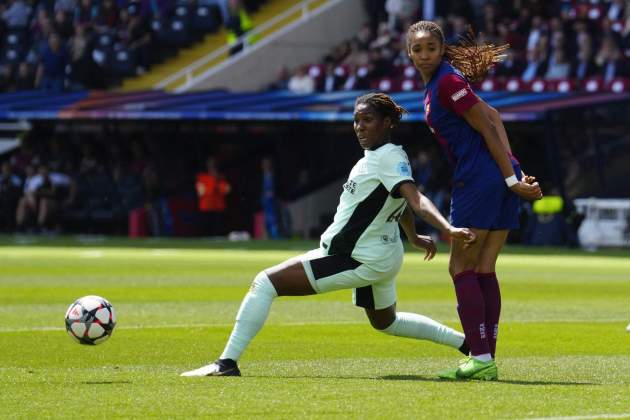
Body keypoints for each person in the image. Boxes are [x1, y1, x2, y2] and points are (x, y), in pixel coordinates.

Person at [181, 93, 476, 377]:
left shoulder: (385, 158)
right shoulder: (382, 157)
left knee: (265, 282)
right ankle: (469, 344)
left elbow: (415, 199)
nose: (360, 126)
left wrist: (446, 229)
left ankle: (226, 362)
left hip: (356, 257)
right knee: (387, 323)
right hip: (380, 255)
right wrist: (411, 236)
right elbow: (397, 197)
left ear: (387, 122)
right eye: (356, 120)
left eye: (368, 120)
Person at [406, 21, 543, 380]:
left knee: (459, 268)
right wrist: (511, 169)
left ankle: (480, 358)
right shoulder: (446, 80)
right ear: (408, 52)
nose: (424, 55)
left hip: (478, 179)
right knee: (483, 268)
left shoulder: (447, 83)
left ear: (441, 49)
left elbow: (485, 123)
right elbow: (495, 117)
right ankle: (486, 359)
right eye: (417, 49)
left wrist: (511, 178)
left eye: (430, 48)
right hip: (494, 176)